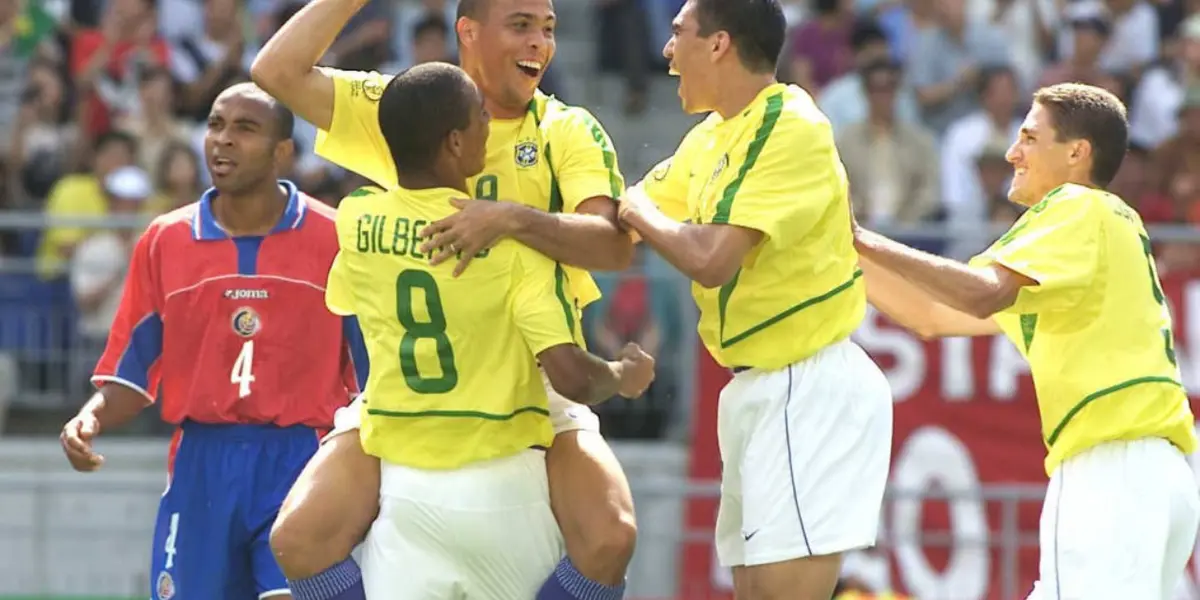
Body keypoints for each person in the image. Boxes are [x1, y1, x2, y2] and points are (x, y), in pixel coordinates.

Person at [251, 0, 641, 598]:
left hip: (532, 370)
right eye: (521, 26)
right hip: (417, 386)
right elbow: (275, 72)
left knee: (610, 535)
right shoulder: (414, 105)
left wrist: (507, 218)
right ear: (468, 31)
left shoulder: (566, 129)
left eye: (549, 29)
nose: (539, 43)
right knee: (299, 538)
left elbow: (613, 247)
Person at [853, 83, 1200, 599]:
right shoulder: (1098, 226)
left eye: (1030, 138)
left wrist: (858, 235)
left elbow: (982, 294)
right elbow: (932, 315)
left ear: (1077, 153)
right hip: (1154, 473)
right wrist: (844, 249)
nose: (1014, 152)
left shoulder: (1076, 207)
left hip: (1111, 469)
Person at [615, 0, 894, 598]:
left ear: (718, 44)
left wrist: (637, 208)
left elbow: (710, 260)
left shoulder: (790, 122)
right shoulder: (711, 137)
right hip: (756, 388)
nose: (666, 51)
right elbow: (627, 215)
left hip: (805, 384)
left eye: (677, 33)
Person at [58, 83, 368, 600]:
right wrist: (90, 416)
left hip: (304, 460)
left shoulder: (336, 239)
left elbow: (371, 379)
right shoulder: (165, 240)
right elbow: (131, 372)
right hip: (200, 464)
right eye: (216, 125)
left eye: (244, 129)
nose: (223, 141)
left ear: (282, 152)